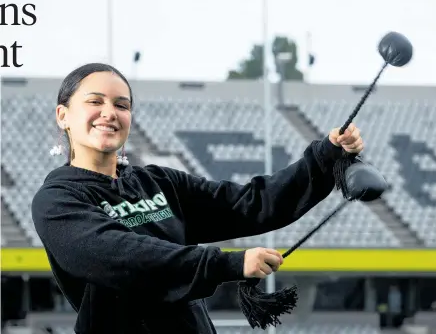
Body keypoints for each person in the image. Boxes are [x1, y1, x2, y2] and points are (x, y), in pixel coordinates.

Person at [31, 63, 364, 334]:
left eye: (122, 104)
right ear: (63, 115)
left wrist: (326, 155)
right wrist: (228, 263)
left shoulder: (158, 181)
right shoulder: (57, 200)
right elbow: (124, 256)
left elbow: (248, 204)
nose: (110, 113)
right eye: (95, 101)